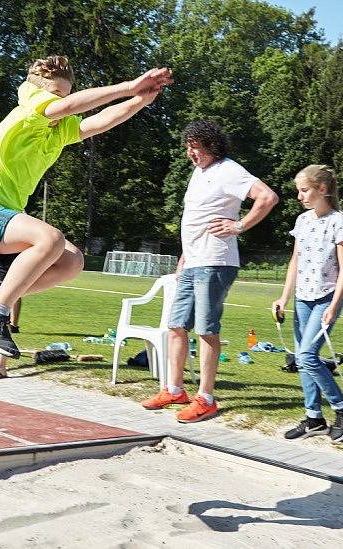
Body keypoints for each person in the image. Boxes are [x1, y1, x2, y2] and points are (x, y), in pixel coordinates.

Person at [0, 55, 173, 358]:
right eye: (56, 95)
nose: (62, 102)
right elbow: (69, 107)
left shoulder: (56, 131)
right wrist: (129, 86)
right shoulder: (30, 107)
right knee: (51, 239)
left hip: (3, 217)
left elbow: (96, 123)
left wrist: (138, 100)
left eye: (66, 94)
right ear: (39, 91)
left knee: (71, 261)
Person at [140, 120, 278, 422]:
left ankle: (206, 398)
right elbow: (196, 218)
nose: (190, 152)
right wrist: (184, 255)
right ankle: (174, 390)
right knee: (176, 327)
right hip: (193, 262)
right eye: (188, 146)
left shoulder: (230, 170)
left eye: (195, 146)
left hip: (215, 263)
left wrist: (238, 225)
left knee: (206, 330)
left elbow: (268, 197)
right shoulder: (199, 172)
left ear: (211, 145)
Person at [271, 165, 343, 442]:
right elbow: (295, 262)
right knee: (301, 359)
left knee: (308, 356)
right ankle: (314, 418)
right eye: (299, 190)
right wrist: (283, 297)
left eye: (304, 190)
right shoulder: (303, 221)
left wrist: (334, 305)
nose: (300, 196)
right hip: (302, 299)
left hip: (325, 299)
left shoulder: (339, 222)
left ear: (322, 190)